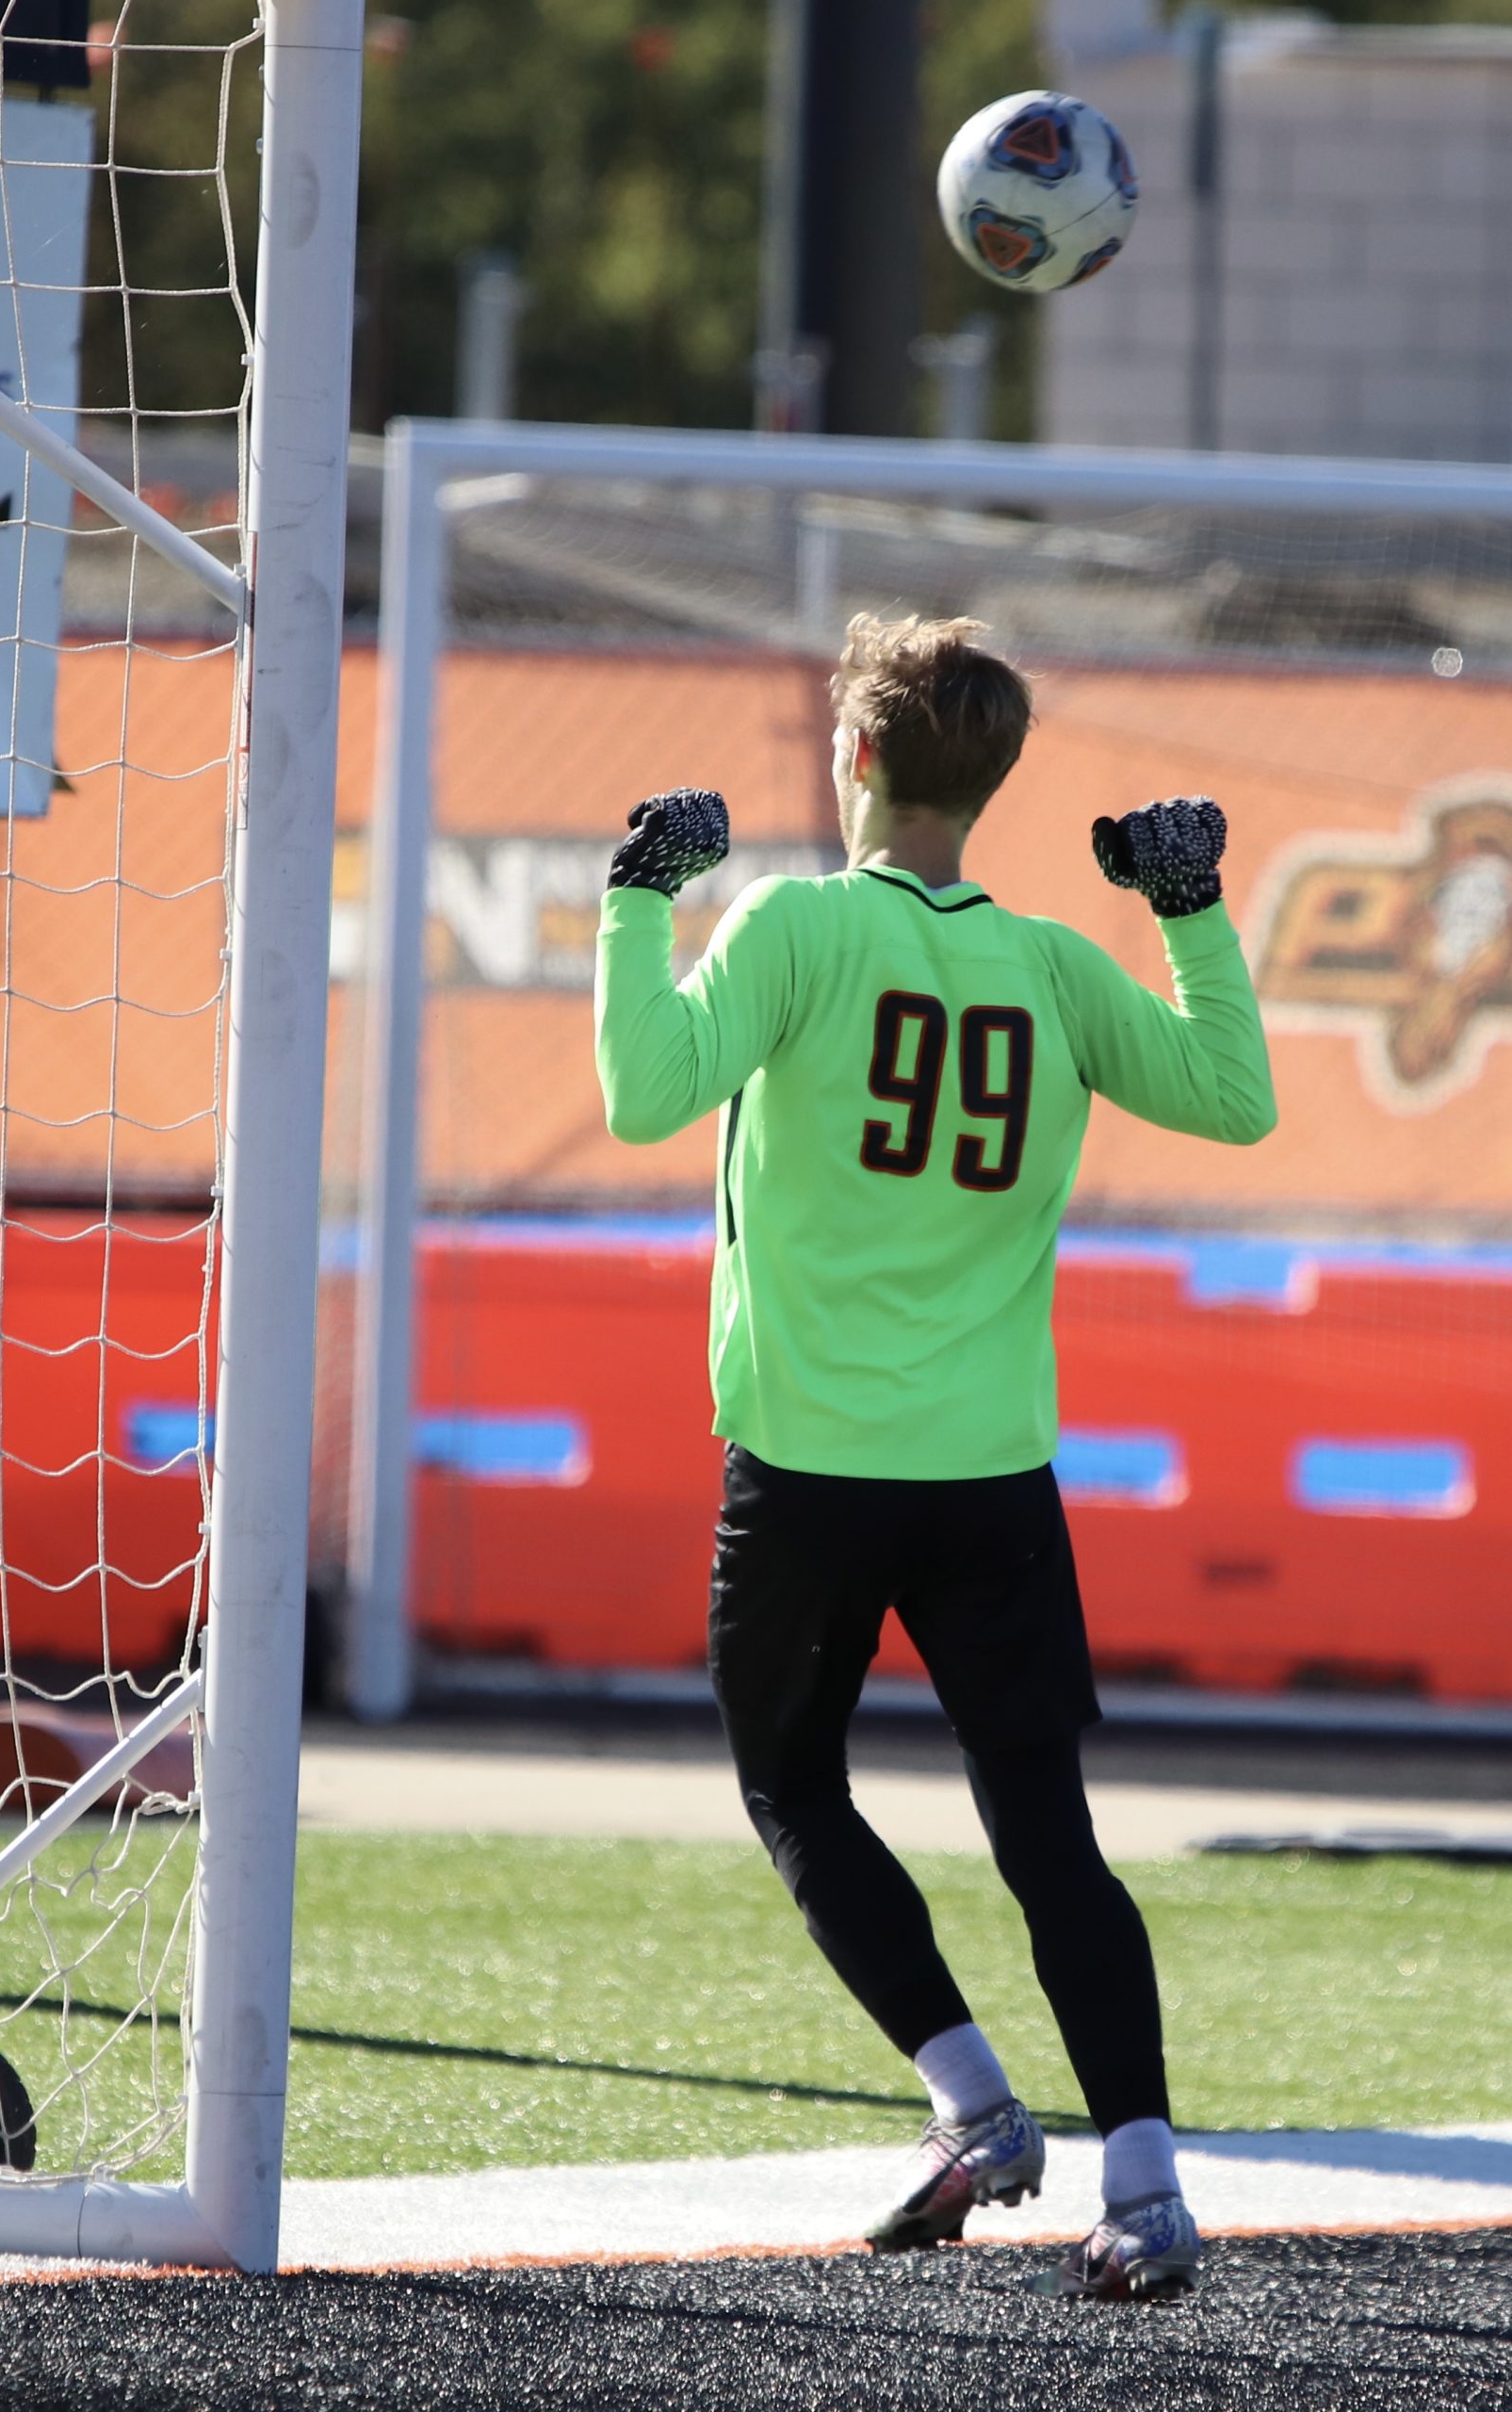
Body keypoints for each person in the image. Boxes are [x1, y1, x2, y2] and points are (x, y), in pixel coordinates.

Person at [592, 613, 1276, 2303]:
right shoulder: (1050, 965)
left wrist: (638, 894)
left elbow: (645, 1094)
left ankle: (974, 2105)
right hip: (991, 1478)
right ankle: (1147, 2190)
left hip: (808, 1472)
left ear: (857, 758)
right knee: (1048, 1834)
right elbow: (1235, 1099)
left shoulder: (793, 922)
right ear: (994, 779)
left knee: (793, 1786)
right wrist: (1188, 904)